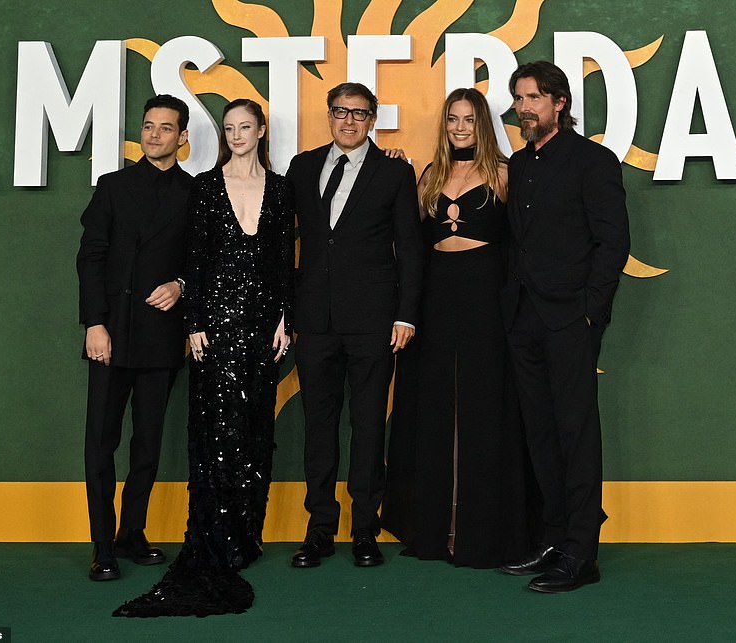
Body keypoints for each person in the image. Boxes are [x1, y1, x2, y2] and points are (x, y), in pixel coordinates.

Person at [114, 98, 295, 617]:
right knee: (215, 434)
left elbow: (284, 260)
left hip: (263, 328)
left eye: (245, 127)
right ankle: (214, 538)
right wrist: (192, 322)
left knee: (254, 431)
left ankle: (244, 538)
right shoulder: (205, 188)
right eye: (229, 128)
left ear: (261, 131)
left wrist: (285, 318)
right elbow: (193, 258)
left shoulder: (282, 189)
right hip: (213, 328)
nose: (236, 135)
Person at [382, 88, 529, 568]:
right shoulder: (430, 175)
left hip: (487, 298)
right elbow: (411, 241)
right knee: (434, 407)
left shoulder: (506, 174)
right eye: (452, 119)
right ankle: (434, 530)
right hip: (436, 299)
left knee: (485, 409)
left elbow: (521, 246)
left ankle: (480, 534)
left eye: (469, 119)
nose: (460, 127)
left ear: (482, 123)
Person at [498, 61, 630, 592]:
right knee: (541, 430)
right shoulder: (519, 163)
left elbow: (612, 241)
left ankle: (582, 553)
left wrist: (590, 310)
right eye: (518, 99)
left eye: (533, 98)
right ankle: (554, 539)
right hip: (525, 317)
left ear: (559, 102)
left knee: (576, 432)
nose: (524, 108)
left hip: (570, 318)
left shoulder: (594, 161)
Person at [285, 82, 424, 568]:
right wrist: (286, 313)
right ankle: (319, 529)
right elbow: (284, 248)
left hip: (374, 323)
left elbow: (409, 249)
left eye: (359, 114)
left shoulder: (395, 172)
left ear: (373, 119)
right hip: (314, 323)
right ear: (329, 115)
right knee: (318, 428)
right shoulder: (302, 168)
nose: (349, 121)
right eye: (341, 112)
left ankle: (365, 529)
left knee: (367, 428)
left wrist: (406, 313)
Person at [76, 94, 192, 582]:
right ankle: (102, 545)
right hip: (111, 333)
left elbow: (205, 261)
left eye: (166, 128)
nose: (154, 135)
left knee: (147, 445)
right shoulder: (112, 187)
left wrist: (182, 285)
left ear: (182, 138)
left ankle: (133, 534)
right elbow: (90, 258)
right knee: (100, 443)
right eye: (148, 126)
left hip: (160, 337)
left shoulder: (197, 193)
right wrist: (94, 324)